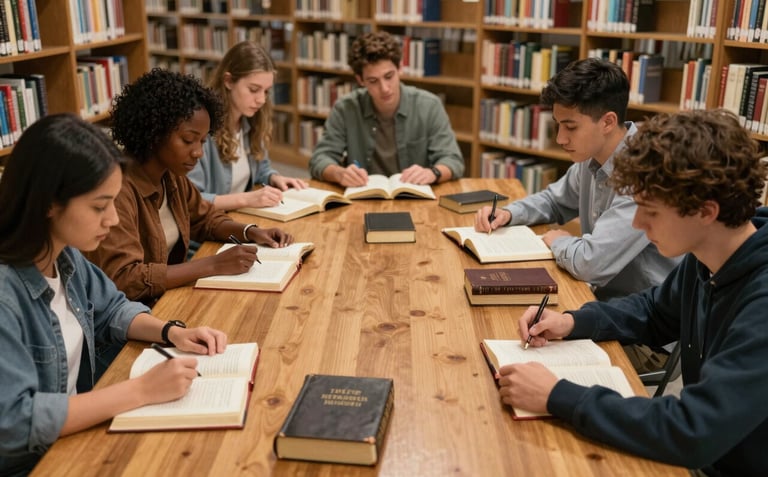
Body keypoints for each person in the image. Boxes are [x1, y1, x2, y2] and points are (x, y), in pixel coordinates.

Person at [501, 110, 768, 476]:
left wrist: (557, 395)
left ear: (706, 211)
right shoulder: (709, 257)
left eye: (651, 212)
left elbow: (693, 430)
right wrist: (570, 321)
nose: (638, 225)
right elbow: (655, 312)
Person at [0, 114, 228, 476]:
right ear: (48, 202)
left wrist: (173, 332)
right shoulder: (6, 295)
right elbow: (13, 425)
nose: (112, 219)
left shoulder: (65, 254)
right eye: (98, 206)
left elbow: (112, 309)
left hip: (76, 438)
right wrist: (140, 391)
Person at [474, 58, 680, 372]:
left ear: (608, 122)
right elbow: (554, 200)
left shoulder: (643, 172)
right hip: (599, 305)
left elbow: (589, 264)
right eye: (558, 125)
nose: (560, 138)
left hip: (640, 333)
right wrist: (508, 213)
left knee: (511, 351)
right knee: (501, 329)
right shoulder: (592, 156)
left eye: (570, 127)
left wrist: (559, 241)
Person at [85, 69, 294, 305]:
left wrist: (252, 232)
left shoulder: (171, 176)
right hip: (131, 319)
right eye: (188, 140)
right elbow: (125, 279)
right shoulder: (118, 190)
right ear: (154, 132)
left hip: (166, 299)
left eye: (202, 141)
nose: (198, 153)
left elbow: (205, 219)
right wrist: (213, 264)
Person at [308, 31, 465, 187]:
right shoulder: (345, 108)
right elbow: (319, 159)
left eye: (389, 76)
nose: (384, 88)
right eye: (373, 81)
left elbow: (453, 160)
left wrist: (432, 173)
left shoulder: (429, 105)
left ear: (400, 68)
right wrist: (339, 173)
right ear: (360, 80)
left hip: (414, 198)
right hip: (363, 197)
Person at [188, 41, 308, 210]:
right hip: (208, 229)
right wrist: (246, 199)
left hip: (238, 219)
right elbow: (190, 201)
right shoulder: (201, 130)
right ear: (228, 81)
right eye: (253, 89)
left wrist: (273, 177)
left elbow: (260, 167)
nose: (262, 100)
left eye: (266, 91)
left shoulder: (251, 119)